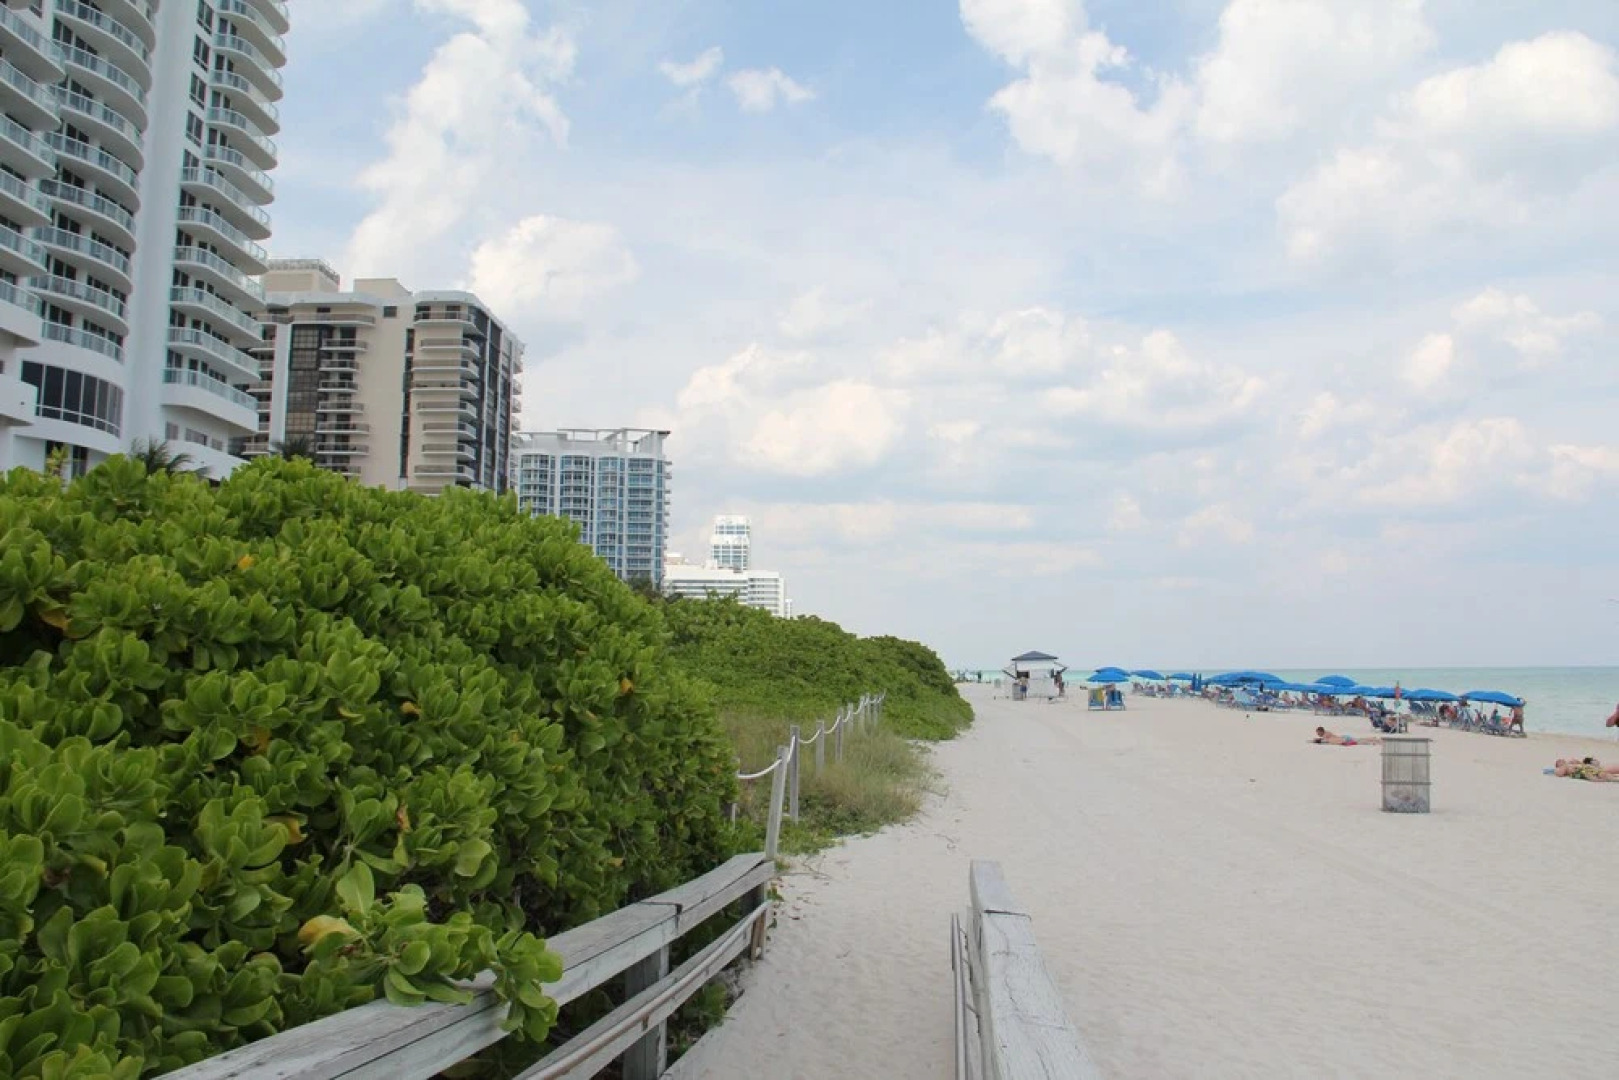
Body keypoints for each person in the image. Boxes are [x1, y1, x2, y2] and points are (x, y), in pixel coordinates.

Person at [1312, 727, 1381, 747]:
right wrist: (1317, 740)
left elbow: (1324, 740)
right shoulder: (1326, 733)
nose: (1318, 734)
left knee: (1360, 741)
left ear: (1321, 731)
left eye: (1318, 733)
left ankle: (1375, 740)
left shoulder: (1326, 735)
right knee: (1360, 740)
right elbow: (1324, 740)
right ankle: (1374, 739)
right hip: (1344, 738)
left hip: (1345, 739)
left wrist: (1316, 740)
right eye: (1317, 733)